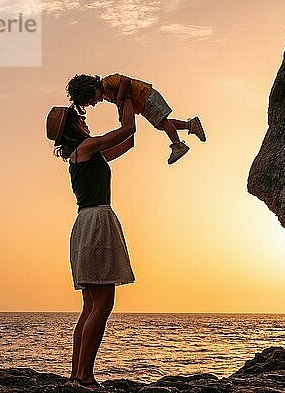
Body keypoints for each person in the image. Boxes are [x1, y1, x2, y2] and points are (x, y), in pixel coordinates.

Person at [46, 97, 137, 390]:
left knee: (90, 306)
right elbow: (126, 130)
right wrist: (125, 97)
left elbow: (128, 140)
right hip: (96, 222)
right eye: (81, 120)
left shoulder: (84, 154)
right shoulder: (86, 148)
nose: (86, 122)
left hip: (85, 225)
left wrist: (127, 106)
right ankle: (84, 376)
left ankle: (77, 374)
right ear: (75, 127)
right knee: (103, 303)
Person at [66, 73, 206, 165]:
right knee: (160, 124)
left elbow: (125, 81)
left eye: (91, 100)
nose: (93, 103)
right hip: (142, 104)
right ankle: (190, 125)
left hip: (146, 97)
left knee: (162, 122)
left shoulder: (107, 82)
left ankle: (177, 144)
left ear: (91, 88)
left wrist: (121, 98)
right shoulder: (107, 94)